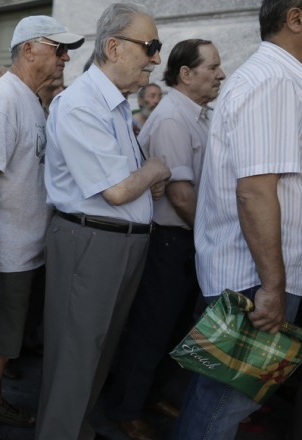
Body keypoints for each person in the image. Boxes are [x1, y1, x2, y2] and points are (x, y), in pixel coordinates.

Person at [37, 4, 171, 439]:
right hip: (91, 243)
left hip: (113, 242)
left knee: (98, 352)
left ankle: (74, 429)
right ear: (113, 47)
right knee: (76, 358)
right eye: (150, 47)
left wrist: (143, 176)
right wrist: (153, 169)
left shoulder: (112, 103)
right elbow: (116, 191)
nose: (155, 58)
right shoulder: (81, 103)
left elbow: (124, 184)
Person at [173, 1, 302, 438]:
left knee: (219, 396)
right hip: (256, 277)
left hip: (258, 272)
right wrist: (271, 286)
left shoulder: (276, 78)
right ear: (296, 19)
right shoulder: (273, 80)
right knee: (224, 403)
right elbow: (254, 192)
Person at [0, 15, 84, 440]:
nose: (66, 57)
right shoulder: (1, 101)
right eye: (59, 48)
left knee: (7, 342)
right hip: (8, 253)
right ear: (29, 48)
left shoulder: (30, 99)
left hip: (27, 248)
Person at [104, 38, 225, 440]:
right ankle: (126, 409)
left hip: (185, 238)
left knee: (173, 329)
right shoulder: (174, 117)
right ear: (186, 74)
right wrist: (213, 237)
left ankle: (149, 396)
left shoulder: (195, 114)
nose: (221, 75)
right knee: (151, 329)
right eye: (213, 67)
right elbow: (181, 194)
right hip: (170, 239)